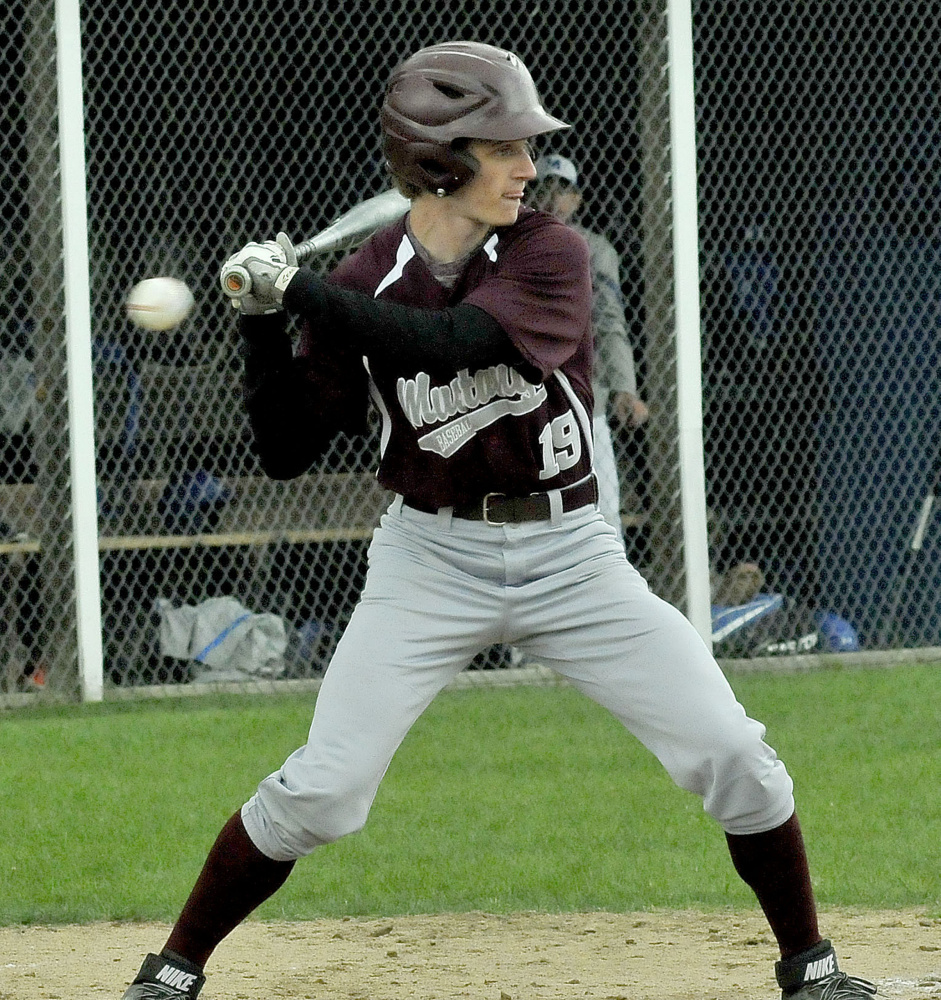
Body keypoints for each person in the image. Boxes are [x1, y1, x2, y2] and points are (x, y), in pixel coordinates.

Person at [119, 41, 876, 1000]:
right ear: (441, 160)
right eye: (506, 148)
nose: (531, 169)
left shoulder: (548, 254)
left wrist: (301, 291)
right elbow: (284, 448)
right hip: (427, 561)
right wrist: (263, 321)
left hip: (574, 556)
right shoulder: (359, 281)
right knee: (326, 788)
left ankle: (809, 968)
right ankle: (173, 970)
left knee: (732, 753)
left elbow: (449, 342)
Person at [527, 152, 648, 536]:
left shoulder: (594, 250)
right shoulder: (505, 246)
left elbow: (609, 321)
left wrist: (624, 387)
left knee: (603, 512)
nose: (551, 198)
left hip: (584, 398)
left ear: (576, 200)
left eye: (562, 190)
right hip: (525, 399)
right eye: (542, 188)